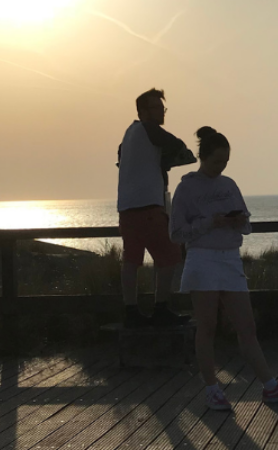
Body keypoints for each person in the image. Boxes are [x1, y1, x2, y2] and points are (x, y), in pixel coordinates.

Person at [170, 126, 278, 410]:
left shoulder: (229, 184)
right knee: (207, 326)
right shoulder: (186, 188)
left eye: (226, 161)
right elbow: (176, 233)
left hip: (230, 257)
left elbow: (247, 225)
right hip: (202, 259)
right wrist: (210, 222)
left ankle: (270, 386)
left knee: (247, 326)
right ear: (203, 157)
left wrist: (237, 220)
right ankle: (212, 389)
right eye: (217, 161)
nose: (222, 166)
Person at [117, 88, 196, 328]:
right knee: (170, 256)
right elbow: (176, 144)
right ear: (143, 111)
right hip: (149, 207)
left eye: (163, 108)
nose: (162, 112)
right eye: (157, 107)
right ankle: (161, 308)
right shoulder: (149, 129)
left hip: (126, 208)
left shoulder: (128, 135)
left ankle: (130, 311)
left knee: (131, 261)